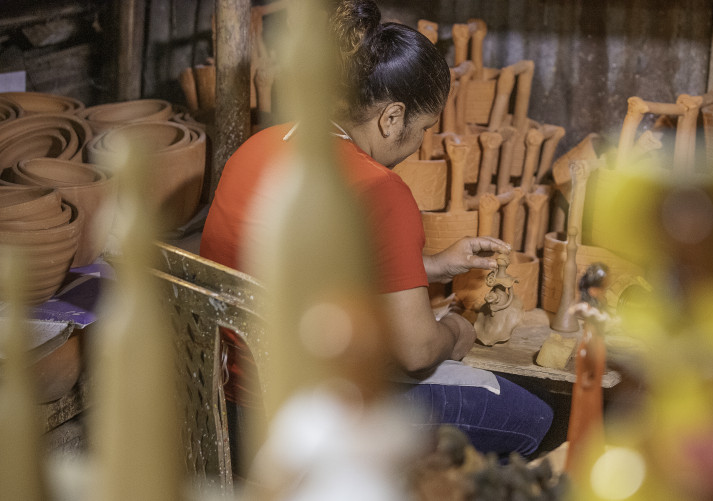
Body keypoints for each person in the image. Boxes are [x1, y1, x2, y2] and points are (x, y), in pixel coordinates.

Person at [200, 0, 552, 461]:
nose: (420, 143)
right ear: (391, 118)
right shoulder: (380, 189)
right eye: (423, 128)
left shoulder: (257, 146)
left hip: (226, 405)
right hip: (302, 421)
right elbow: (416, 353)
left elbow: (308, 260)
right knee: (532, 419)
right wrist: (456, 330)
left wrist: (434, 265)